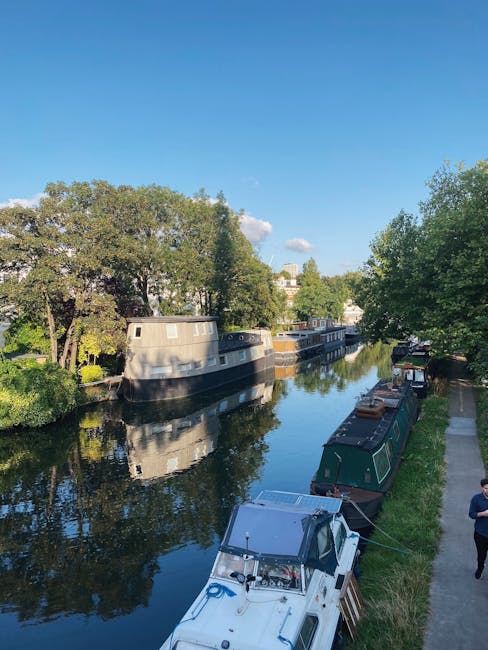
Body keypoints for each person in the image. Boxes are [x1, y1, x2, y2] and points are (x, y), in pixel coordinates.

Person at [468, 478, 488, 579]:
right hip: (481, 534)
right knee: (481, 555)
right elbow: (471, 514)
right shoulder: (476, 499)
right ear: (482, 487)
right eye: (486, 488)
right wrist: (483, 514)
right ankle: (480, 569)